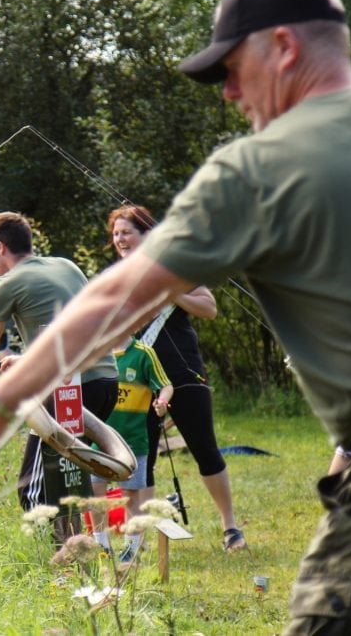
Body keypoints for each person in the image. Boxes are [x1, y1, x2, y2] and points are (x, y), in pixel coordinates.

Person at [0, 0, 351, 633]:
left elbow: (115, 299)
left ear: (284, 46)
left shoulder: (260, 165)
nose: (230, 94)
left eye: (234, 69)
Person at [0, 211, 119, 542]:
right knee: (67, 479)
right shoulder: (67, 266)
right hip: (104, 382)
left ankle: (62, 564)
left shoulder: (7, 285)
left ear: (1, 247)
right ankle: (83, 559)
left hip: (67, 391)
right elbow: (72, 329)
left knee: (34, 488)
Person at [108, 204, 244, 552]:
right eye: (116, 234)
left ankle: (230, 528)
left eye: (127, 232)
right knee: (141, 457)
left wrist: (173, 293)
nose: (120, 239)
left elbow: (209, 308)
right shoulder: (114, 278)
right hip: (138, 380)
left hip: (183, 373)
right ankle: (137, 540)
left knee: (205, 449)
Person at [90, 334, 173, 564]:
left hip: (133, 441)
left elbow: (165, 385)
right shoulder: (97, 350)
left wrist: (162, 402)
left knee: (131, 495)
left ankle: (132, 548)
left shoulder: (144, 353)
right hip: (99, 436)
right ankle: (101, 544)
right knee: (96, 491)